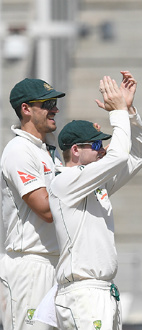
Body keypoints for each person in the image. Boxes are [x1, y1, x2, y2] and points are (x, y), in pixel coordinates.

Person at [49, 72, 142, 330]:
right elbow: (117, 157)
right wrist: (116, 113)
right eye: (96, 145)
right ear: (75, 150)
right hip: (83, 294)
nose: (102, 149)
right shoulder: (65, 180)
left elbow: (139, 155)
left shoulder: (95, 182)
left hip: (101, 292)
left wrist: (128, 112)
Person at [0, 77, 65, 330]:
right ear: (26, 109)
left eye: (55, 103)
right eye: (48, 103)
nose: (55, 109)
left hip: (55, 263)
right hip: (30, 266)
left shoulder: (49, 152)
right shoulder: (18, 149)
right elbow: (46, 210)